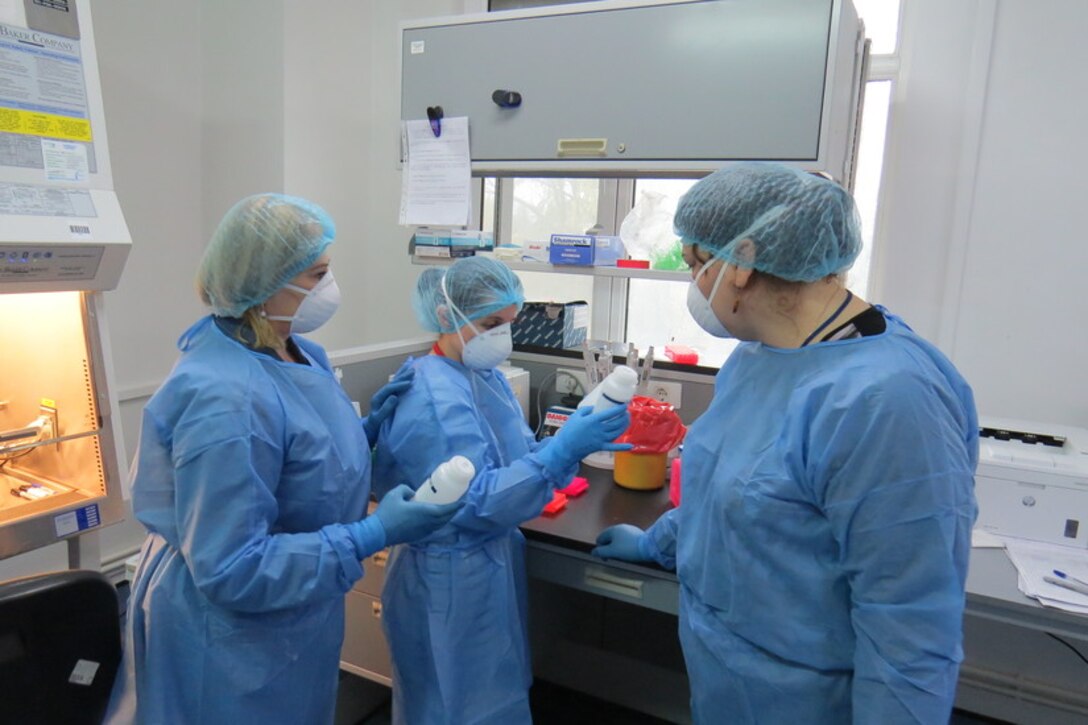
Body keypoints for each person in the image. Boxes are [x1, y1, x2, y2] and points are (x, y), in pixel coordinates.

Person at [593, 163, 979, 724]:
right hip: (726, 675)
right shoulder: (758, 356)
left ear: (743, 261)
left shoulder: (887, 400)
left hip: (809, 700)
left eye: (697, 264)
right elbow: (730, 487)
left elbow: (909, 626)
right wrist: (660, 543)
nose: (695, 284)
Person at [106, 194, 462, 724]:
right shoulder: (226, 400)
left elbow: (296, 456)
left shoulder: (294, 349)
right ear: (264, 282)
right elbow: (233, 568)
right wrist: (374, 532)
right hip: (229, 640)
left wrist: (364, 432)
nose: (329, 287)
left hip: (294, 615)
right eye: (317, 274)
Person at [372, 256, 631, 724]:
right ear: (447, 316)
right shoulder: (431, 395)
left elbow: (516, 456)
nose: (503, 337)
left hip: (487, 564)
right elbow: (476, 502)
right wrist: (559, 453)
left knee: (493, 700)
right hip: (447, 578)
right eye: (492, 324)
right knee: (451, 707)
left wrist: (567, 444)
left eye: (509, 323)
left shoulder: (483, 376)